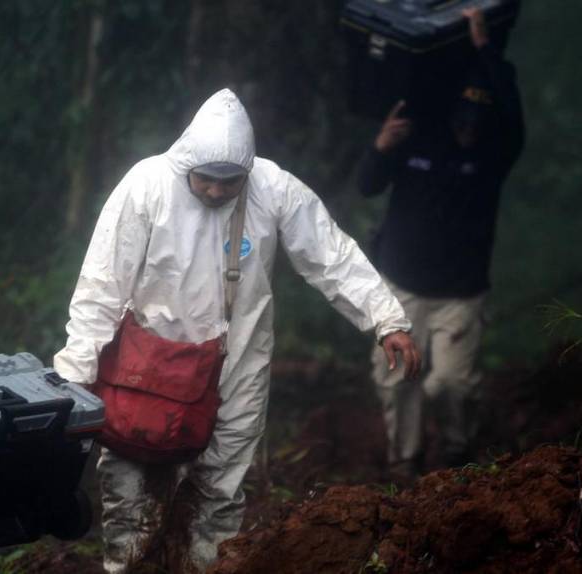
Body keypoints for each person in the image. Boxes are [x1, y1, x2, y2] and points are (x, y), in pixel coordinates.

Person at [53, 88, 421, 573]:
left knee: (221, 488)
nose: (215, 191)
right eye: (206, 180)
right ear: (187, 162)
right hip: (148, 370)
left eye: (229, 183)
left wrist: (385, 318)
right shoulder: (146, 187)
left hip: (238, 363)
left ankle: (205, 566)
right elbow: (102, 286)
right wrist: (75, 376)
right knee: (132, 487)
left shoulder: (275, 188)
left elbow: (331, 255)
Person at [357, 9, 525, 479]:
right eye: (463, 117)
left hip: (461, 291)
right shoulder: (416, 135)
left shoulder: (494, 152)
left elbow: (512, 114)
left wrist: (484, 48)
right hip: (401, 283)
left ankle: (457, 455)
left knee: (452, 383)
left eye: (479, 117)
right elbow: (367, 184)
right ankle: (403, 463)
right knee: (396, 381)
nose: (469, 126)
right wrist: (381, 147)